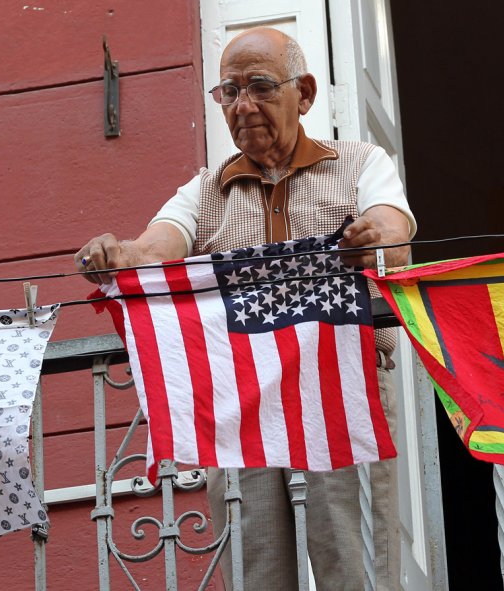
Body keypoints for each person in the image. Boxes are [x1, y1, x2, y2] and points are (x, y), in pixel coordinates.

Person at [75, 27, 416, 591]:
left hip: (339, 389)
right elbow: (152, 251)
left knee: (351, 565)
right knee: (255, 567)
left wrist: (375, 235)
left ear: (303, 95)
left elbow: (393, 233)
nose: (243, 105)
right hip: (241, 402)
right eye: (229, 92)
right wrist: (117, 255)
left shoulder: (359, 163)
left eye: (259, 86)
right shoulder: (207, 190)